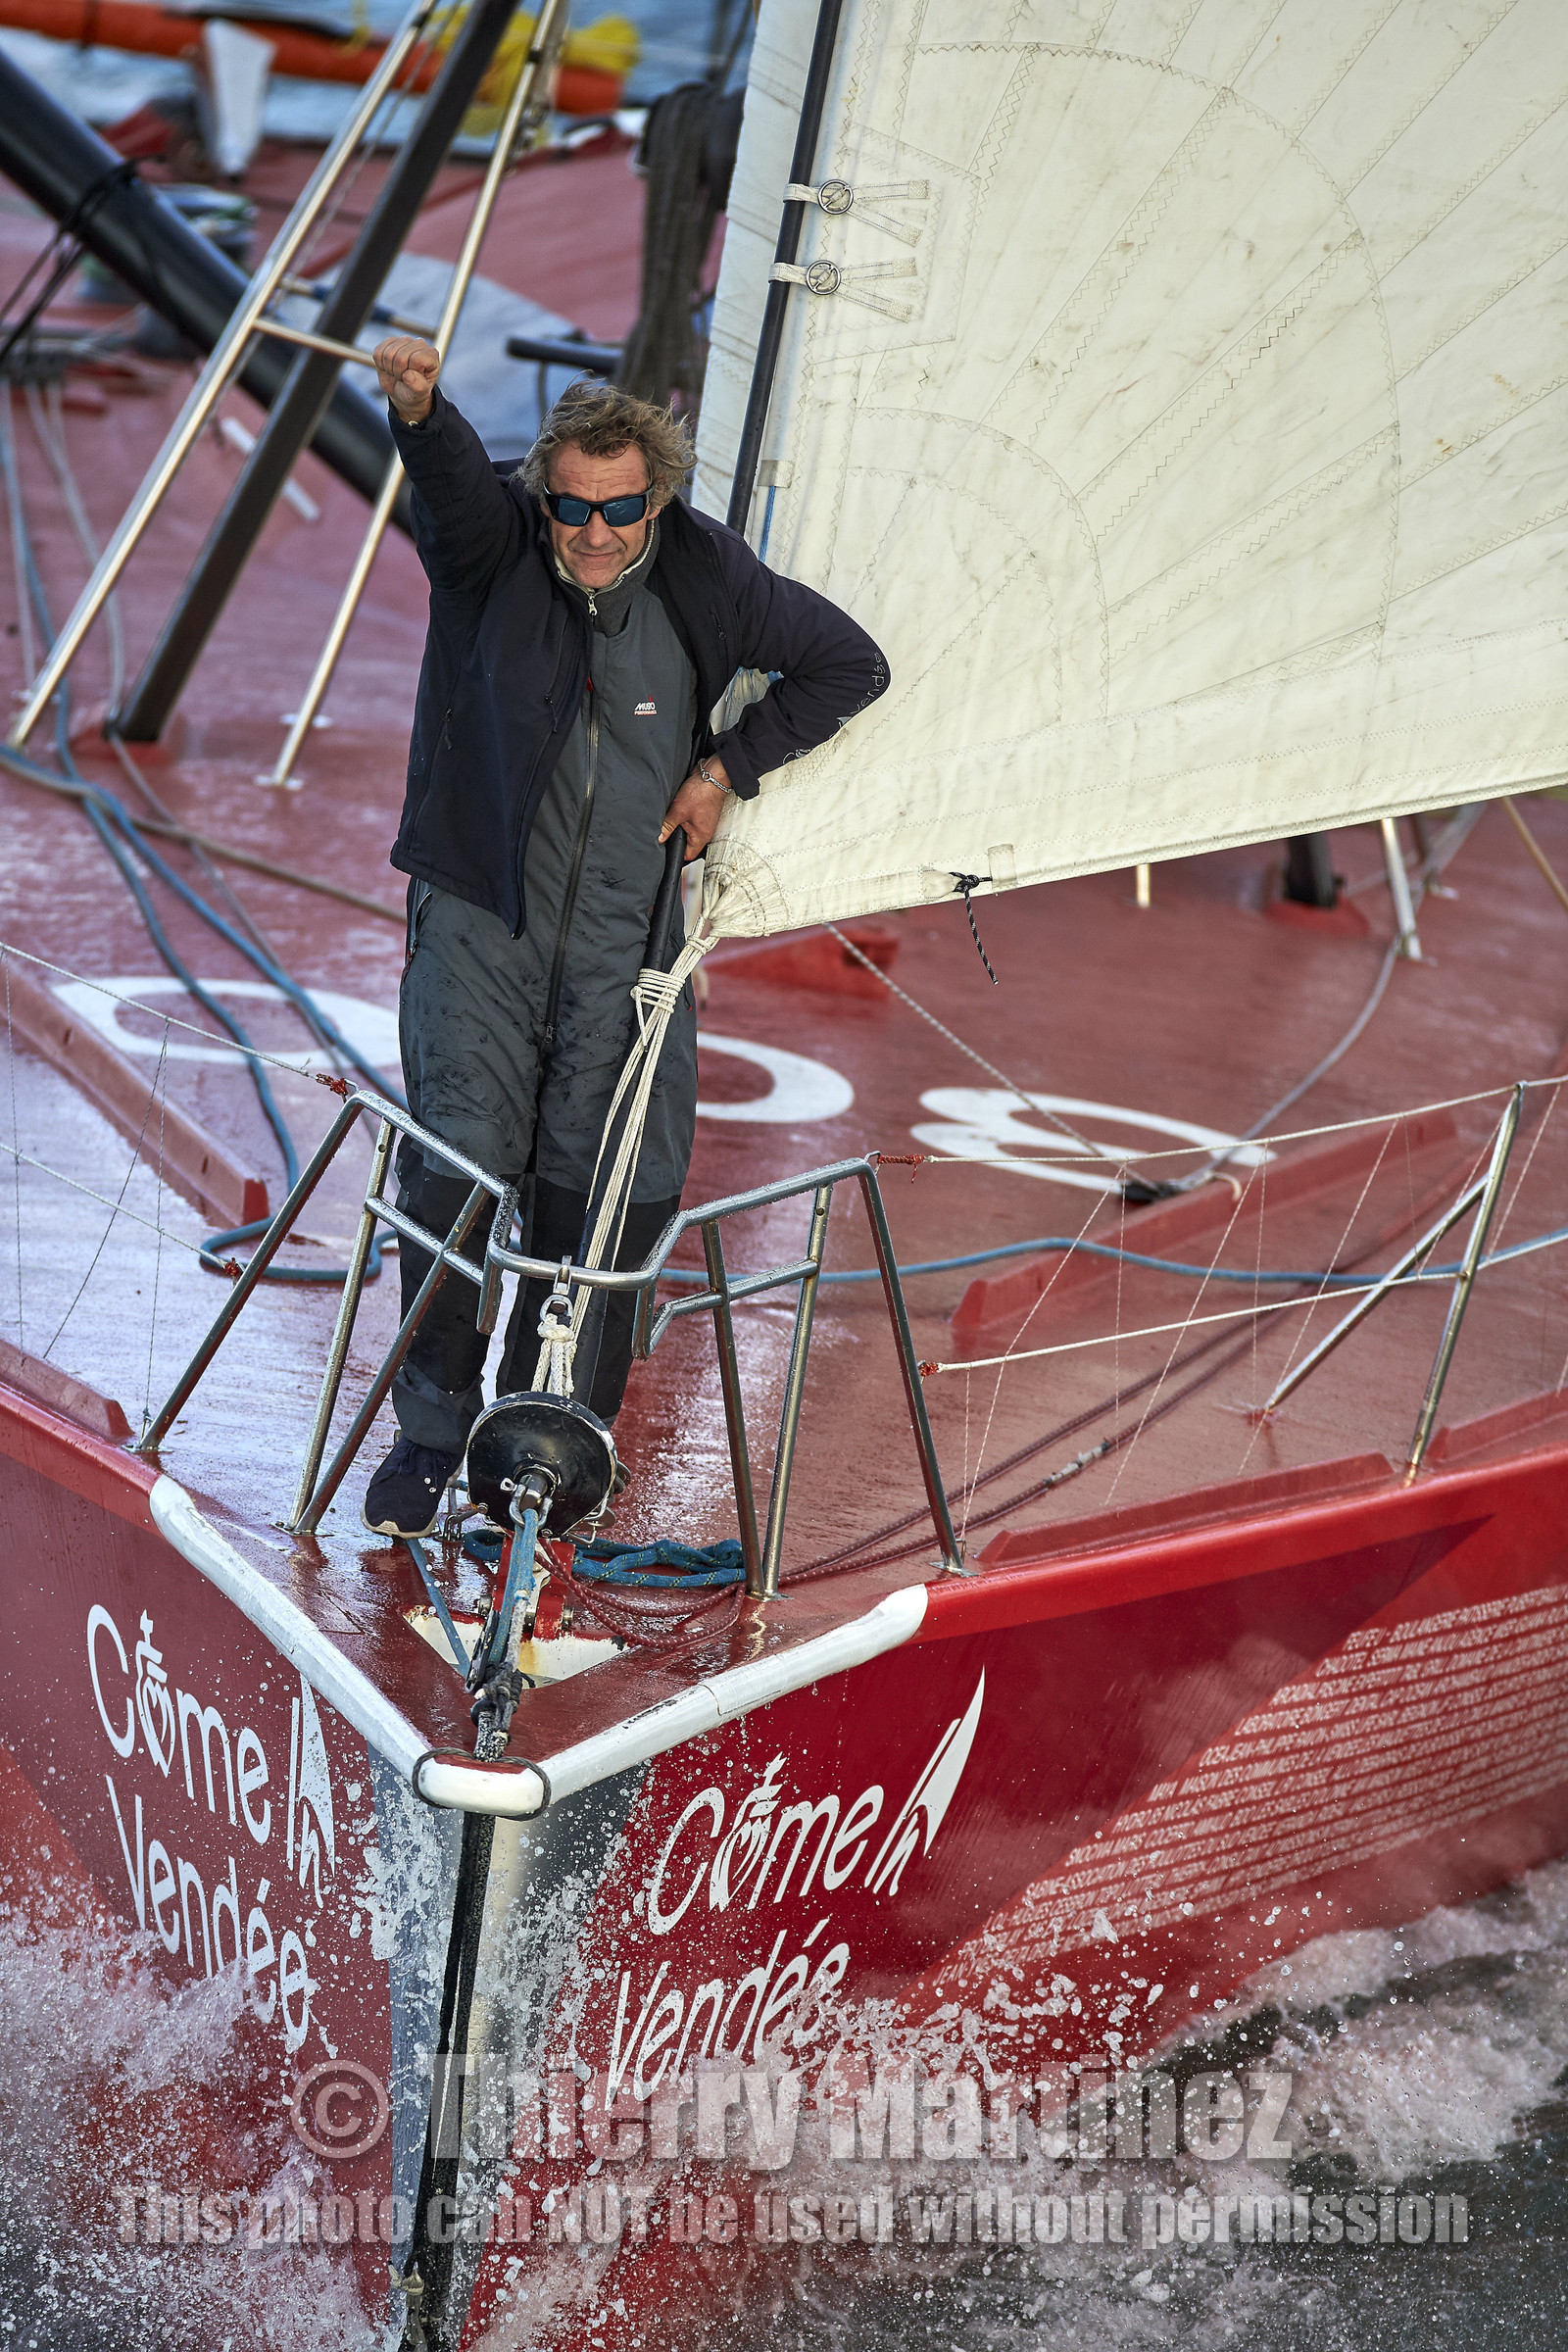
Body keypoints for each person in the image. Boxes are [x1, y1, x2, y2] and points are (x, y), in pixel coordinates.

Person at [362, 336, 890, 1538]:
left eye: (619, 509)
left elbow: (845, 664)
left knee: (605, 1193)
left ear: (657, 500)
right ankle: (429, 1437)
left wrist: (724, 768)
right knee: (454, 1174)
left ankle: (544, 1443)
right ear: (543, 496)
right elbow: (450, 491)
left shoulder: (706, 574)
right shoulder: (495, 550)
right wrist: (420, 411)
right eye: (571, 507)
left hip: (625, 939)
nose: (593, 533)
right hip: (483, 921)